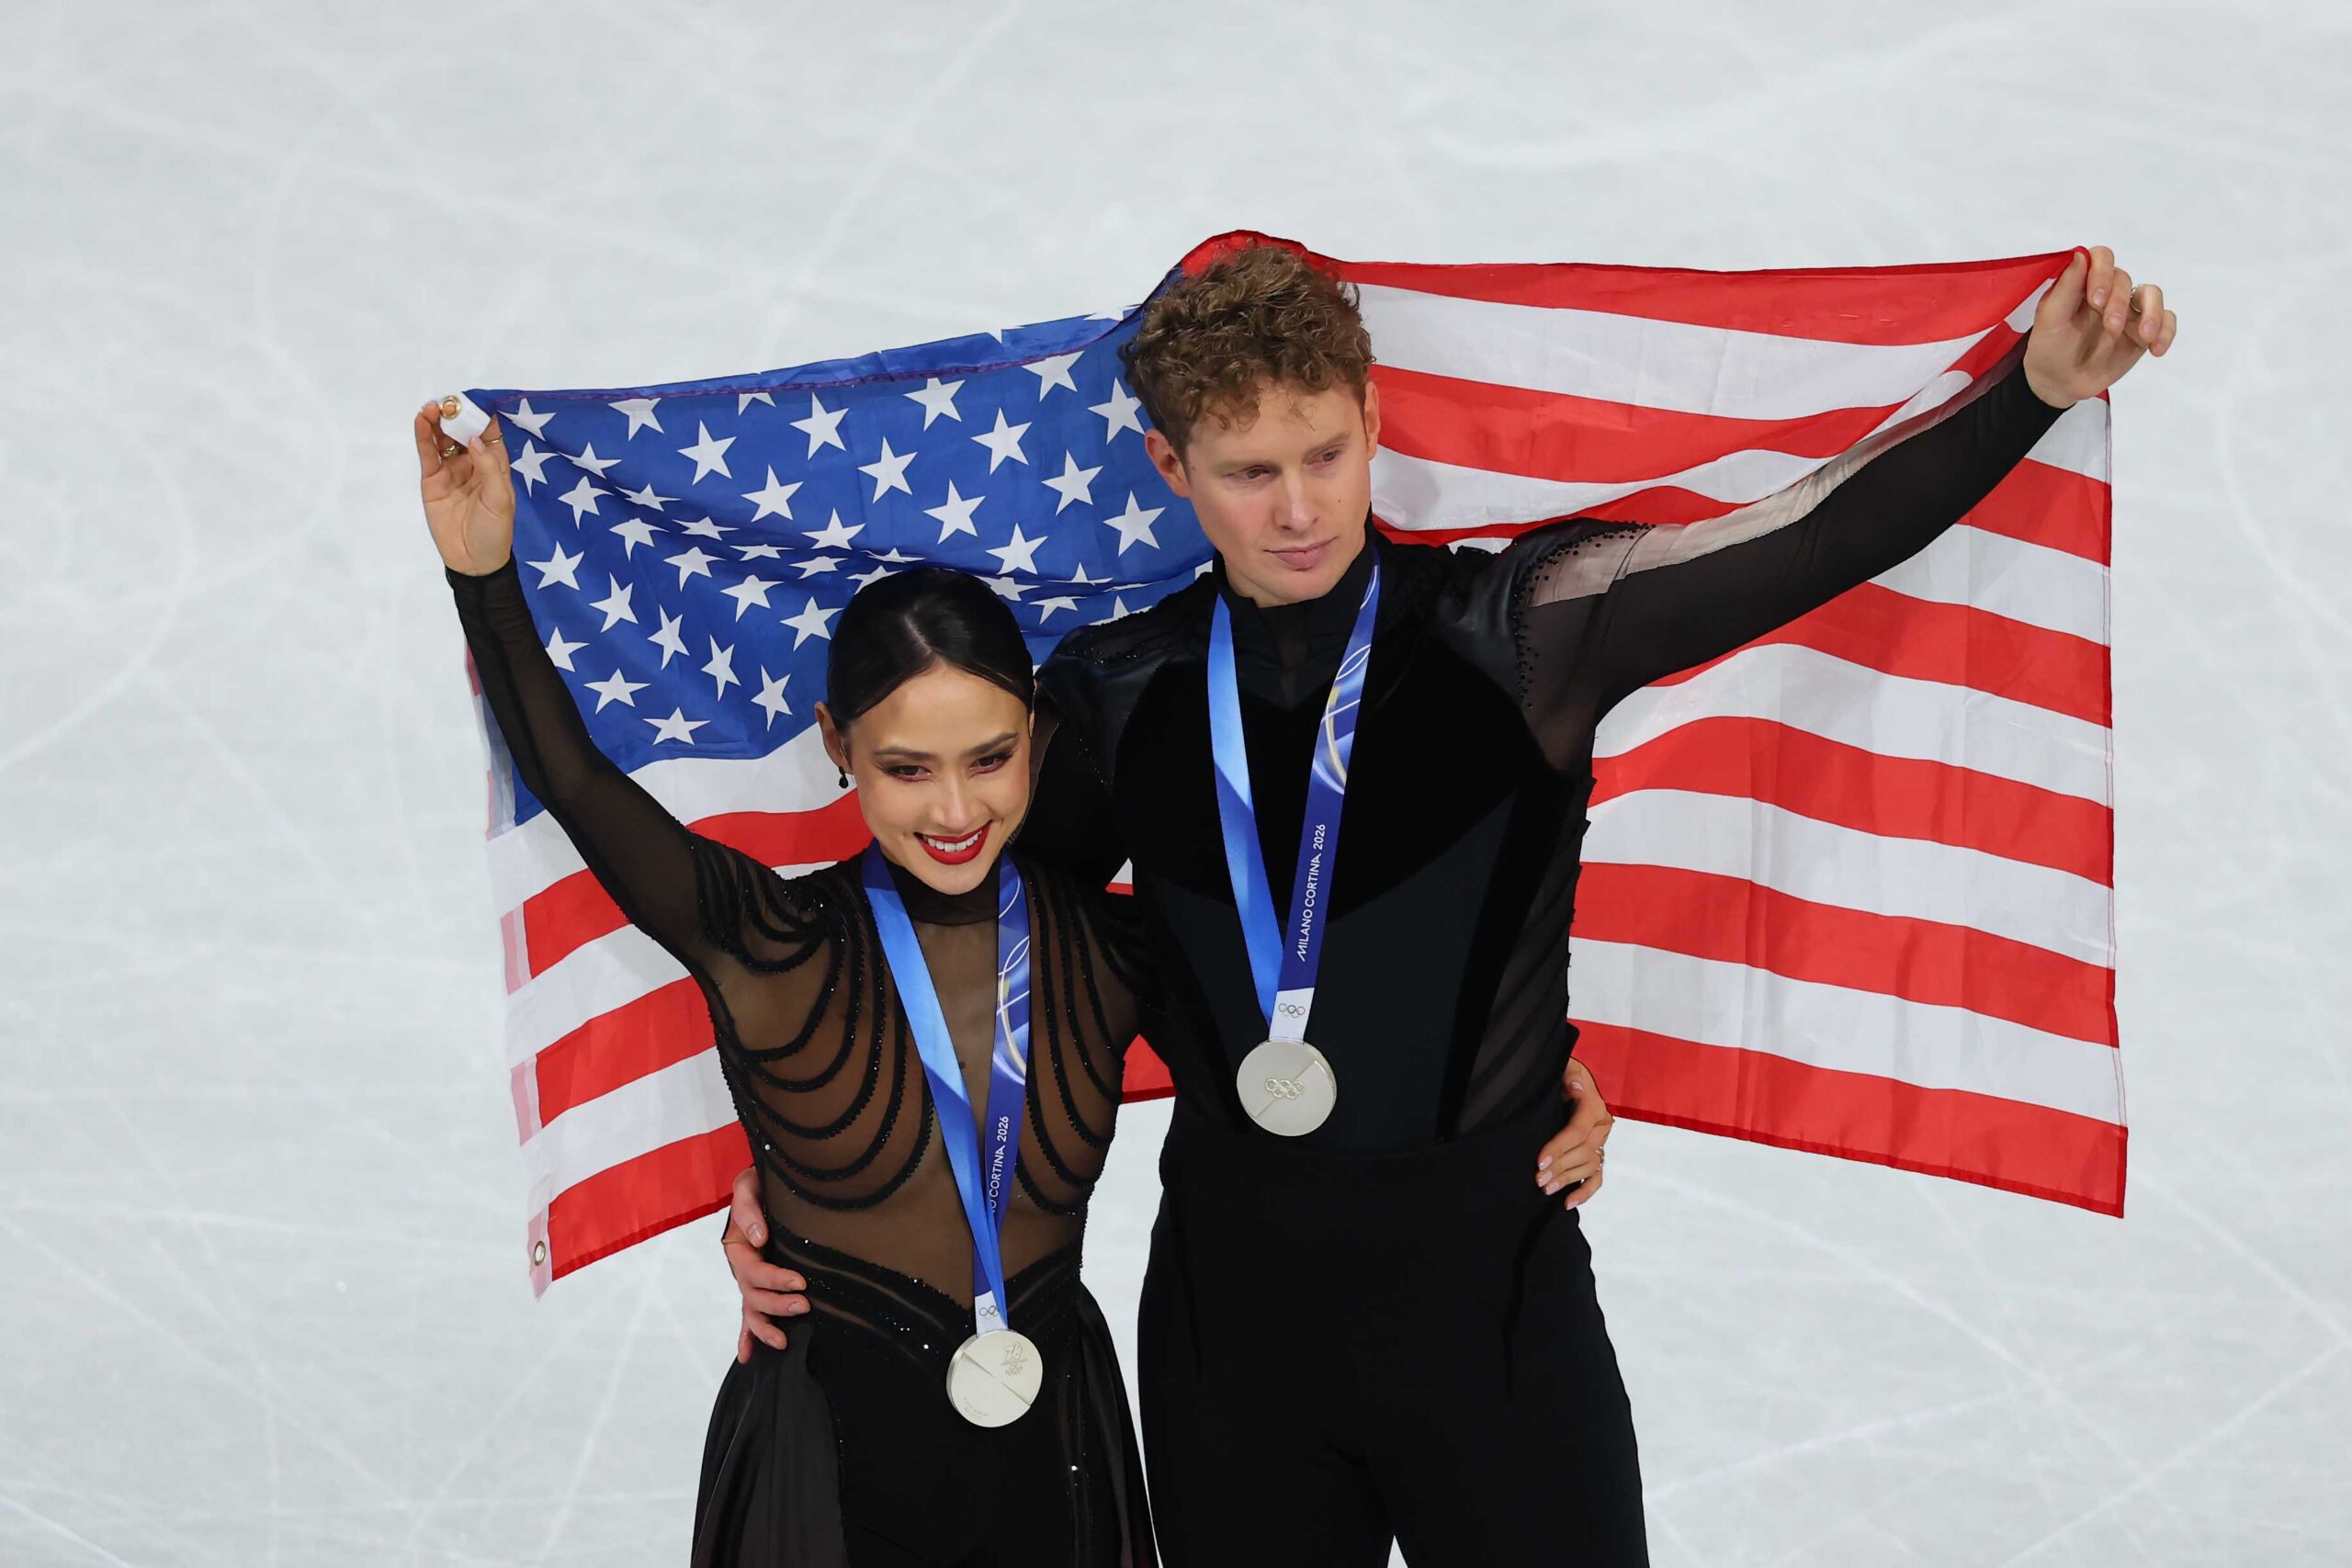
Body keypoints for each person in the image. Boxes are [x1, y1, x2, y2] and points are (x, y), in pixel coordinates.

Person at [726, 241, 2176, 1566]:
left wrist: (2033, 390)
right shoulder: (1120, 694)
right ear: (1172, 464)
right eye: (1246, 470)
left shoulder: (1524, 634)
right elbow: (948, 930)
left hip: (1491, 1291)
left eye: (1326, 450)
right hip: (1236, 1320)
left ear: (1374, 419)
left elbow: (1801, 542)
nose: (1296, 506)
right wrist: (811, 1179)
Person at [415, 402, 1169, 1566]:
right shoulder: (772, 943)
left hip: (1050, 1454)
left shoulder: (1109, 948)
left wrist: (1555, 1076)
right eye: (906, 769)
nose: (956, 810)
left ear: (1038, 734)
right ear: (837, 746)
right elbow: (573, 779)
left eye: (989, 757)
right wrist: (485, 578)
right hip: (825, 1461)